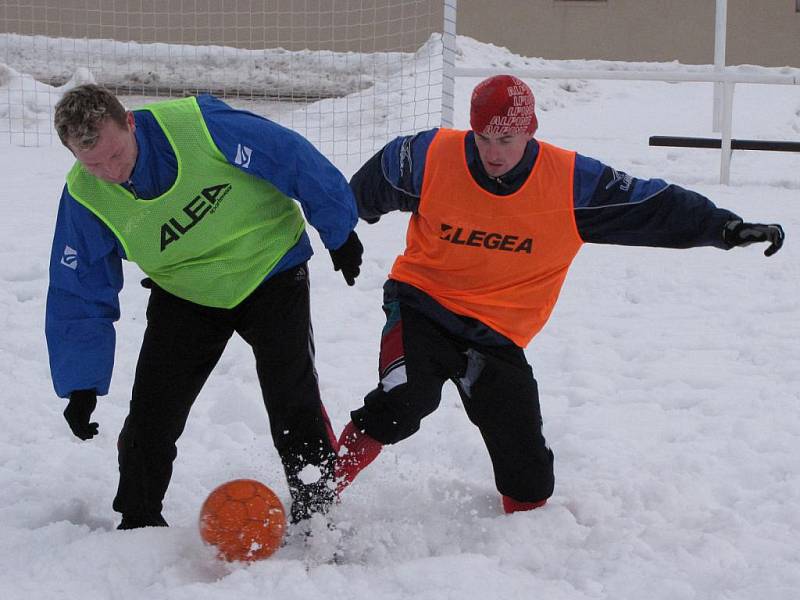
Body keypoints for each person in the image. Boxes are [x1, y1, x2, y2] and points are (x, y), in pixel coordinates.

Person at [333, 74, 785, 513]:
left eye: (506, 140)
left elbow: (653, 205)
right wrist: (339, 231)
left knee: (529, 485)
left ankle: (524, 540)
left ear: (531, 130)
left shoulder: (572, 182)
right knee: (405, 399)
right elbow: (354, 195)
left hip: (497, 335)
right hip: (422, 305)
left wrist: (723, 228)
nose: (493, 152)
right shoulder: (427, 156)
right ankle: (322, 485)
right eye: (483, 138)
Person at [47, 84, 364, 529]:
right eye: (93, 164)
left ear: (131, 122)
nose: (110, 172)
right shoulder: (85, 197)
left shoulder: (201, 127)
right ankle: (138, 521)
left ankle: (317, 514)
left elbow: (289, 156)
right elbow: (78, 290)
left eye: (116, 155)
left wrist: (339, 230)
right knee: (152, 414)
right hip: (187, 291)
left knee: (292, 397)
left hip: (269, 266)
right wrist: (81, 382)